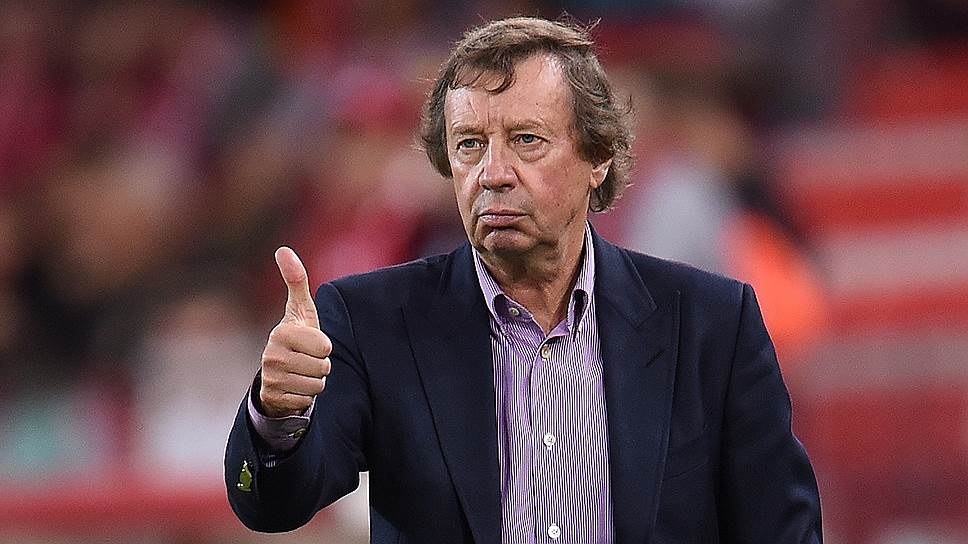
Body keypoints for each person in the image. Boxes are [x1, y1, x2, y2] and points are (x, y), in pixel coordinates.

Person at [225, 16, 822, 543]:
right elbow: (272, 505)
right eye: (469, 145)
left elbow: (782, 530)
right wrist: (276, 415)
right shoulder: (370, 320)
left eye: (526, 141)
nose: (493, 173)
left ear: (598, 158)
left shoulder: (713, 323)